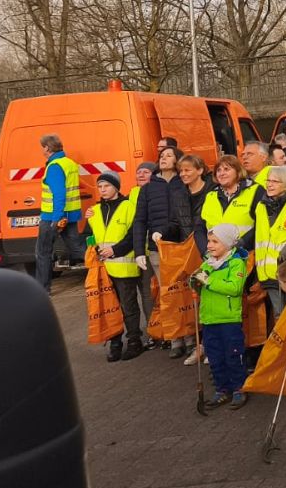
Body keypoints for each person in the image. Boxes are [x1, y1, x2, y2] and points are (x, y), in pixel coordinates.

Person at [190, 226, 249, 410]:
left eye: (215, 241)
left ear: (228, 243)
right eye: (209, 241)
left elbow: (234, 288)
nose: (210, 245)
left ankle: (239, 387)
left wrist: (208, 281)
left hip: (228, 319)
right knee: (215, 356)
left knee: (233, 354)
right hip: (209, 318)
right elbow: (199, 283)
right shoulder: (208, 263)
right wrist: (194, 282)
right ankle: (222, 388)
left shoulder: (236, 263)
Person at [88, 172, 144, 362]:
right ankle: (115, 342)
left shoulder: (128, 206)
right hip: (103, 269)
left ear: (116, 187)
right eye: (100, 186)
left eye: (107, 186)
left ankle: (134, 341)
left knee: (128, 306)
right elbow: (90, 236)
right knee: (110, 308)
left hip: (123, 266)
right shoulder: (94, 210)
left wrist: (115, 250)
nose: (103, 190)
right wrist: (96, 248)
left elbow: (133, 235)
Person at [133, 147, 182, 344]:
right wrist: (139, 251)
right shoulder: (148, 188)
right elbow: (139, 221)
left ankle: (190, 339)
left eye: (168, 155)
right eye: (161, 156)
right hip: (157, 249)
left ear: (177, 160)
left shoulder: (183, 183)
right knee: (168, 295)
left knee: (185, 294)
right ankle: (175, 339)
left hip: (182, 246)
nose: (163, 158)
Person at [171, 154, 211, 361]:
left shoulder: (211, 191)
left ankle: (209, 345)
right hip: (188, 253)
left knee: (209, 298)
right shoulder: (178, 194)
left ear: (200, 170)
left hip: (207, 251)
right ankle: (200, 345)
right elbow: (174, 222)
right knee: (194, 300)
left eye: (188, 170)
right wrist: (162, 232)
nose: (183, 174)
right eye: (181, 171)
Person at [35, 133, 84, 292]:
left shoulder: (54, 166)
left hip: (53, 217)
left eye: (42, 147)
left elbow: (59, 193)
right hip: (70, 215)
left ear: (47, 148)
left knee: (43, 252)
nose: (42, 150)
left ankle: (43, 290)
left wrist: (56, 218)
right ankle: (106, 272)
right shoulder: (69, 163)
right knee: (77, 248)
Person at [255, 165, 286, 319]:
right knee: (279, 315)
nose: (269, 184)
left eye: (275, 181)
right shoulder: (261, 205)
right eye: (268, 181)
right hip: (267, 272)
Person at [200, 156, 261, 251]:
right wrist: (205, 251)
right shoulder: (210, 195)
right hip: (215, 257)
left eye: (226, 169)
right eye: (218, 170)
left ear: (238, 171)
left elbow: (261, 224)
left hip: (245, 254)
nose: (222, 173)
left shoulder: (255, 191)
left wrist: (239, 245)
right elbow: (200, 227)